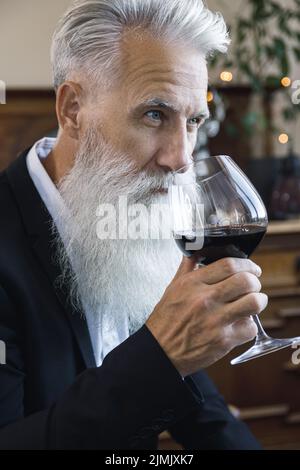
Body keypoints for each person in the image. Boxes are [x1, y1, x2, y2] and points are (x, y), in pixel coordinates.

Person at [0, 0, 267, 450]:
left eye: (194, 121)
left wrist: (171, 357)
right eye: (154, 114)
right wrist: (162, 356)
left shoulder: (128, 207)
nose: (181, 158)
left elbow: (201, 410)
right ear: (72, 110)